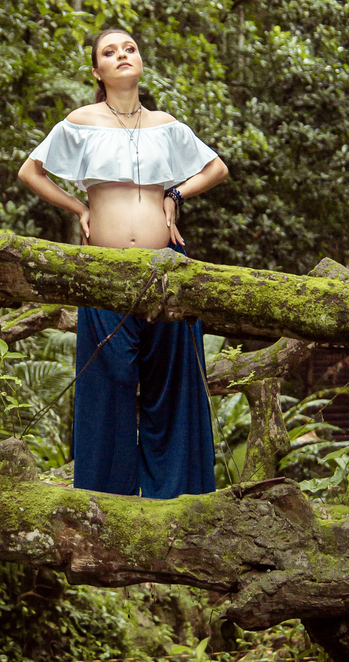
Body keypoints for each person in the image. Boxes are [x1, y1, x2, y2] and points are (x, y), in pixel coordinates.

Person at [17, 27, 229, 499]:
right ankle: (105, 503)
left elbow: (216, 168)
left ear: (140, 61)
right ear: (98, 71)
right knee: (107, 380)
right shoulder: (81, 121)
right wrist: (79, 209)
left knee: (172, 383)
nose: (121, 55)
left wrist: (176, 192)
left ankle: (176, 502)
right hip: (104, 271)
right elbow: (30, 171)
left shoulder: (166, 125)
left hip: (167, 269)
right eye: (109, 52)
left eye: (129, 48)